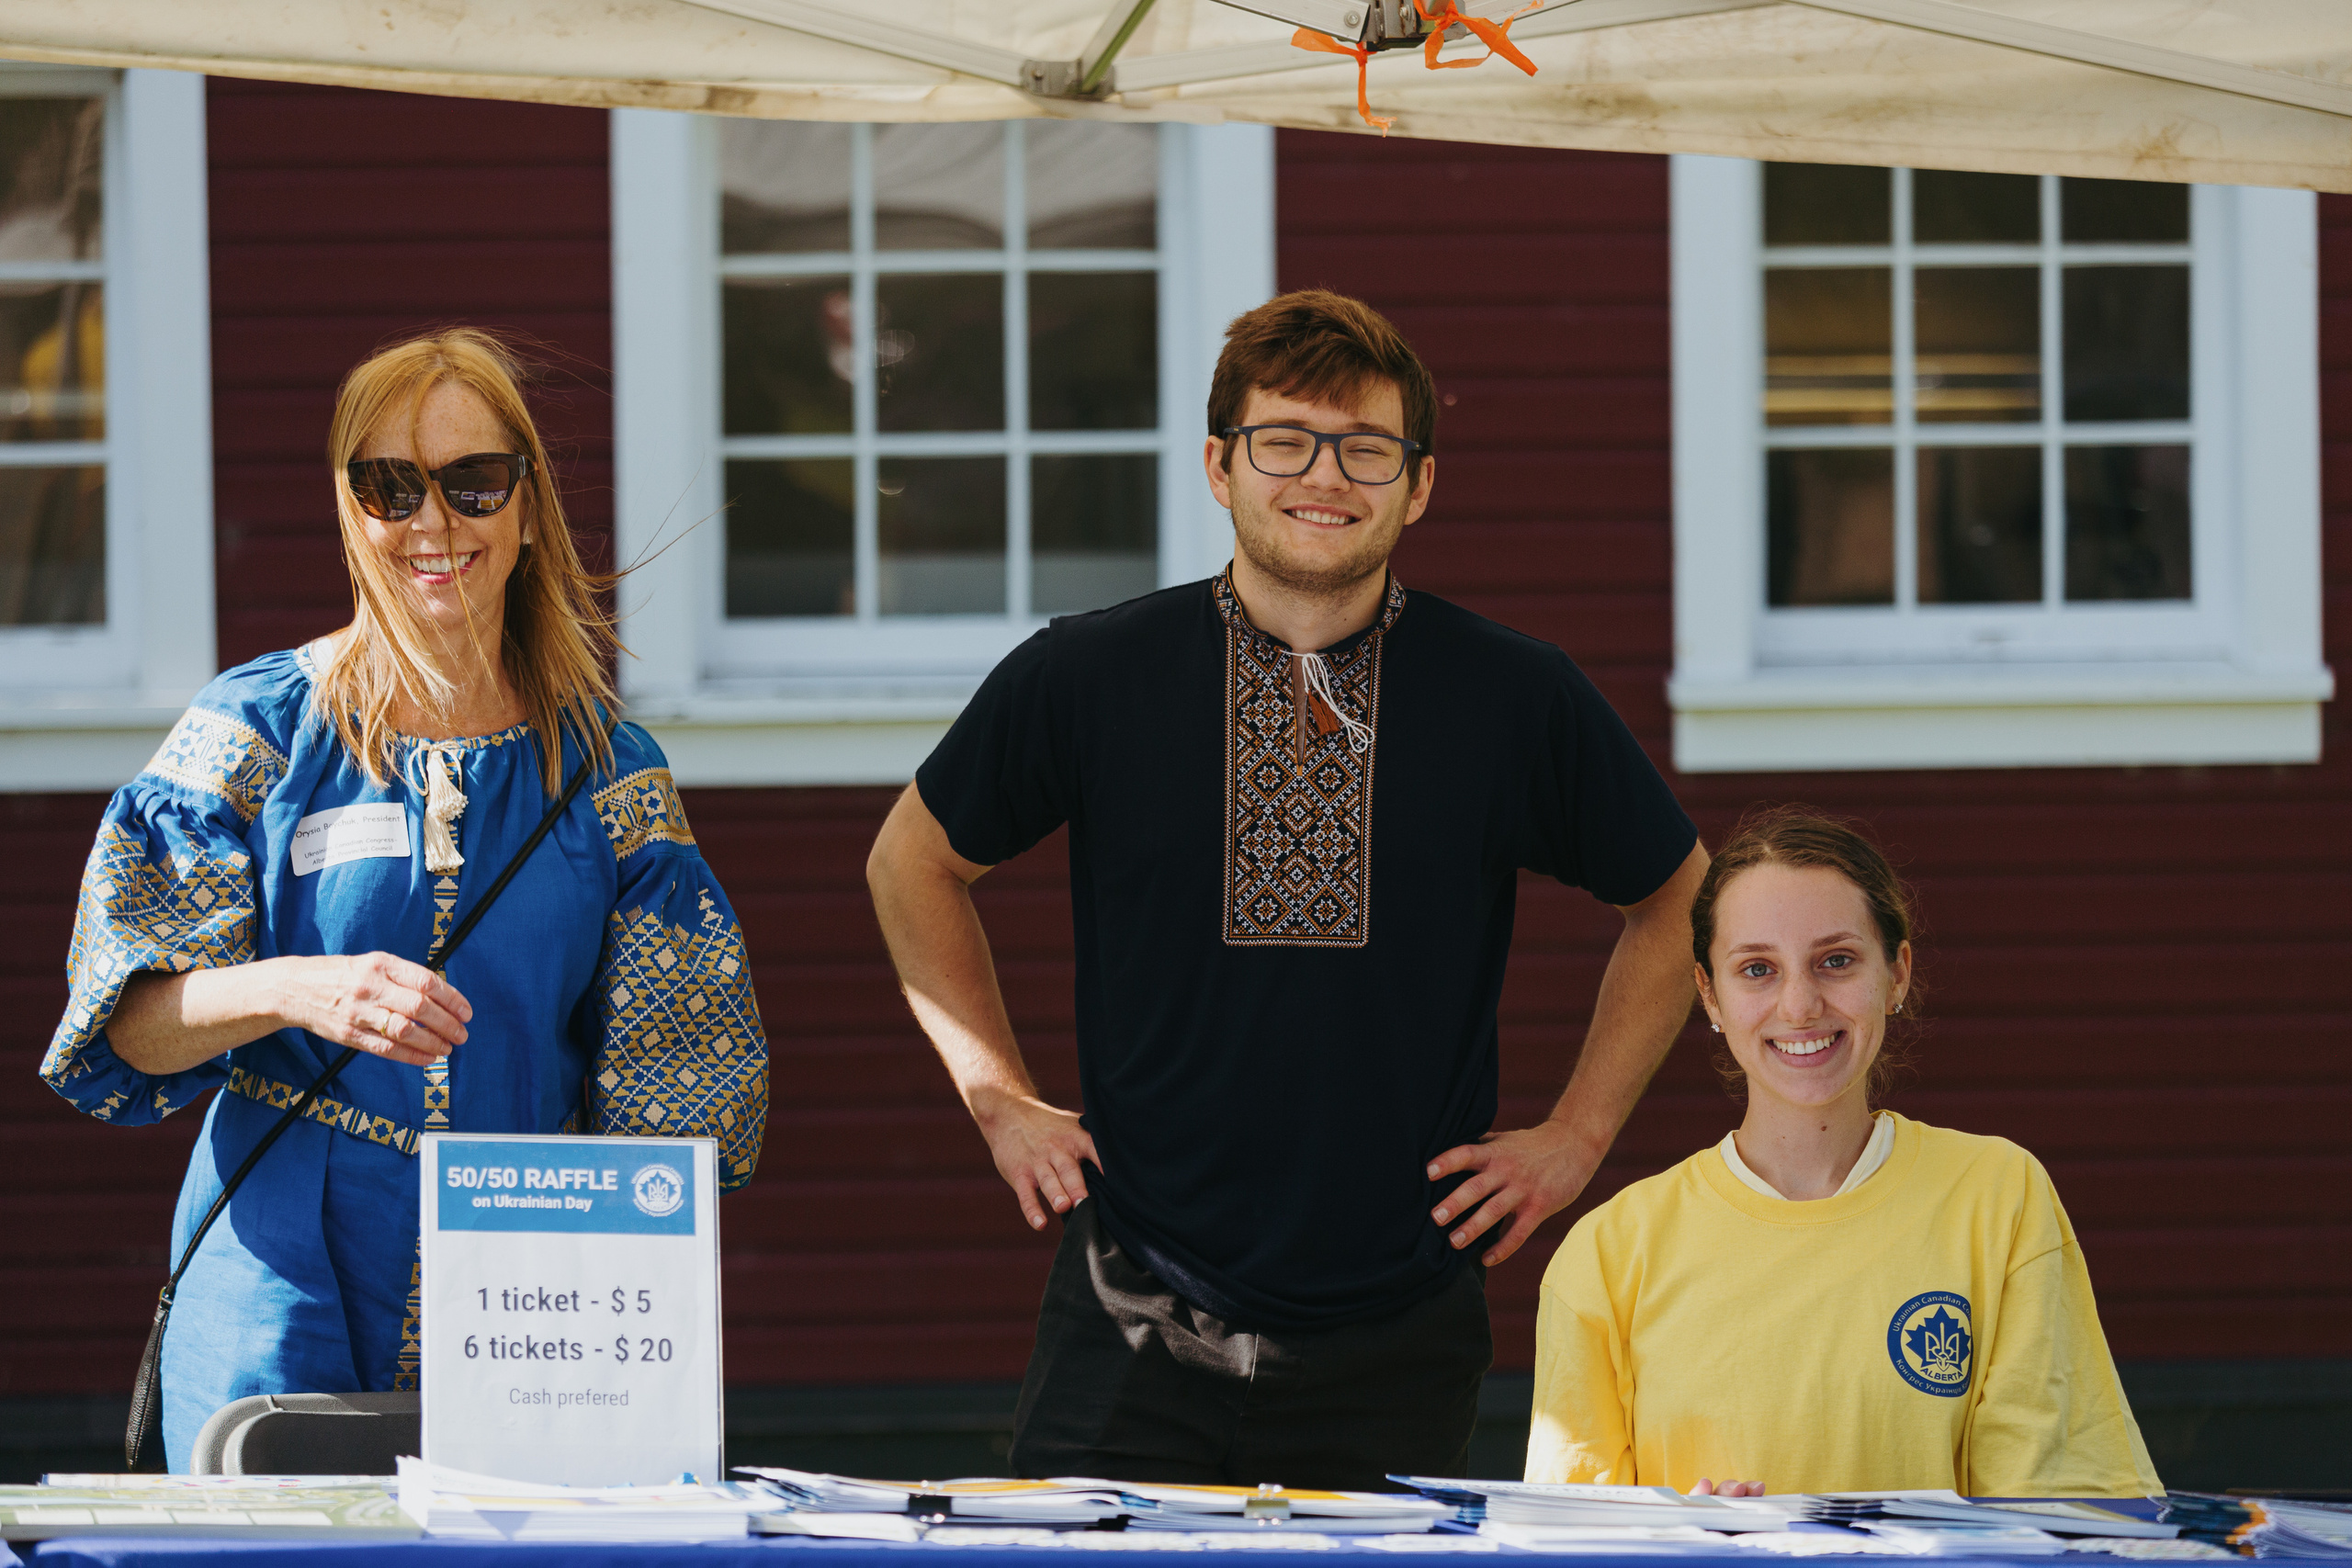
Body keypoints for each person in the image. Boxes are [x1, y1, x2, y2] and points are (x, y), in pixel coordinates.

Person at [867, 289, 1707, 1489]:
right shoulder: (1087, 676)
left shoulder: (1513, 697)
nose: (1327, 475)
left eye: (1368, 446)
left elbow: (1680, 897)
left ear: (1418, 482)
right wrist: (999, 1094)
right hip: (1137, 1303)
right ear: (1221, 464)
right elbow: (912, 861)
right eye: (1285, 441)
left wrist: (1576, 1136)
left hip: (1401, 1316)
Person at [40, 328, 769, 1471]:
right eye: (391, 487)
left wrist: (626, 1325)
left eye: (474, 483)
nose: (434, 525)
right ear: (350, 511)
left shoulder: (607, 768)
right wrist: (296, 987)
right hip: (280, 1279)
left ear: (528, 508)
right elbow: (125, 1024)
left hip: (533, 1297)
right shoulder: (255, 728)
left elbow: (683, 1100)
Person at [1526, 806, 2160, 1496]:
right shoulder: (1607, 1257)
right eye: (1757, 968)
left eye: (1835, 960)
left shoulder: (2000, 1199)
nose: (1799, 1004)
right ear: (1708, 993)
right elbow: (1573, 1543)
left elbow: (2062, 1525)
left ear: (1897, 973)